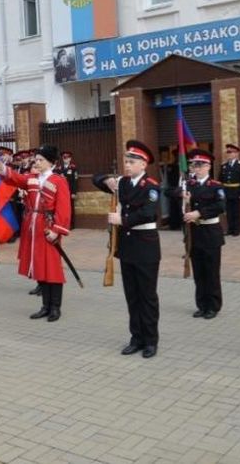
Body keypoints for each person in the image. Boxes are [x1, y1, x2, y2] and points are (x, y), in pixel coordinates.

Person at [93, 140, 161, 358]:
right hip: (128, 247)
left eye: (131, 162)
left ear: (143, 164)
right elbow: (96, 180)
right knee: (132, 296)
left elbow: (149, 213)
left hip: (146, 245)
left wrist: (122, 219)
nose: (127, 165)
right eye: (126, 161)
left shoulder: (150, 186)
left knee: (147, 296)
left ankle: (150, 341)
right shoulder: (122, 183)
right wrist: (108, 180)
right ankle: (136, 338)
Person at [0, 145, 72, 321]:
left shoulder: (59, 181)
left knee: (52, 268)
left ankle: (55, 308)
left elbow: (64, 209)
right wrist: (4, 169)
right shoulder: (32, 178)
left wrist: (56, 230)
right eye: (36, 159)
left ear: (51, 162)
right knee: (40, 266)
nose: (37, 162)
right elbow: (16, 178)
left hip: (48, 227)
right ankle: (45, 306)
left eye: (40, 160)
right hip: (33, 228)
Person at [178, 149, 226, 319]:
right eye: (193, 165)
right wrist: (182, 195)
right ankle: (201, 305)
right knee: (198, 272)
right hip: (194, 233)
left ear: (208, 166)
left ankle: (213, 306)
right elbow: (169, 192)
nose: (196, 168)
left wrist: (199, 213)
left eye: (199, 165)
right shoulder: (188, 185)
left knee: (211, 272)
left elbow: (220, 206)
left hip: (210, 232)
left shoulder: (215, 186)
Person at [219, 143, 240, 236]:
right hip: (226, 191)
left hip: (236, 191)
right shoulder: (224, 166)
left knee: (236, 212)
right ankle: (230, 229)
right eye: (227, 152)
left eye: (230, 152)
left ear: (236, 153)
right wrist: (220, 192)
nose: (228, 154)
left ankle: (236, 230)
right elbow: (220, 180)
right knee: (228, 212)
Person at [55, 151, 79, 230]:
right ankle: (63, 224)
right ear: (62, 159)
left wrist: (74, 192)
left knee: (70, 208)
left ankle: (71, 224)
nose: (66, 159)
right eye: (64, 158)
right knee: (62, 208)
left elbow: (75, 181)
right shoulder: (59, 168)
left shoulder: (73, 168)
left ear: (70, 158)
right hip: (61, 192)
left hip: (69, 191)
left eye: (67, 158)